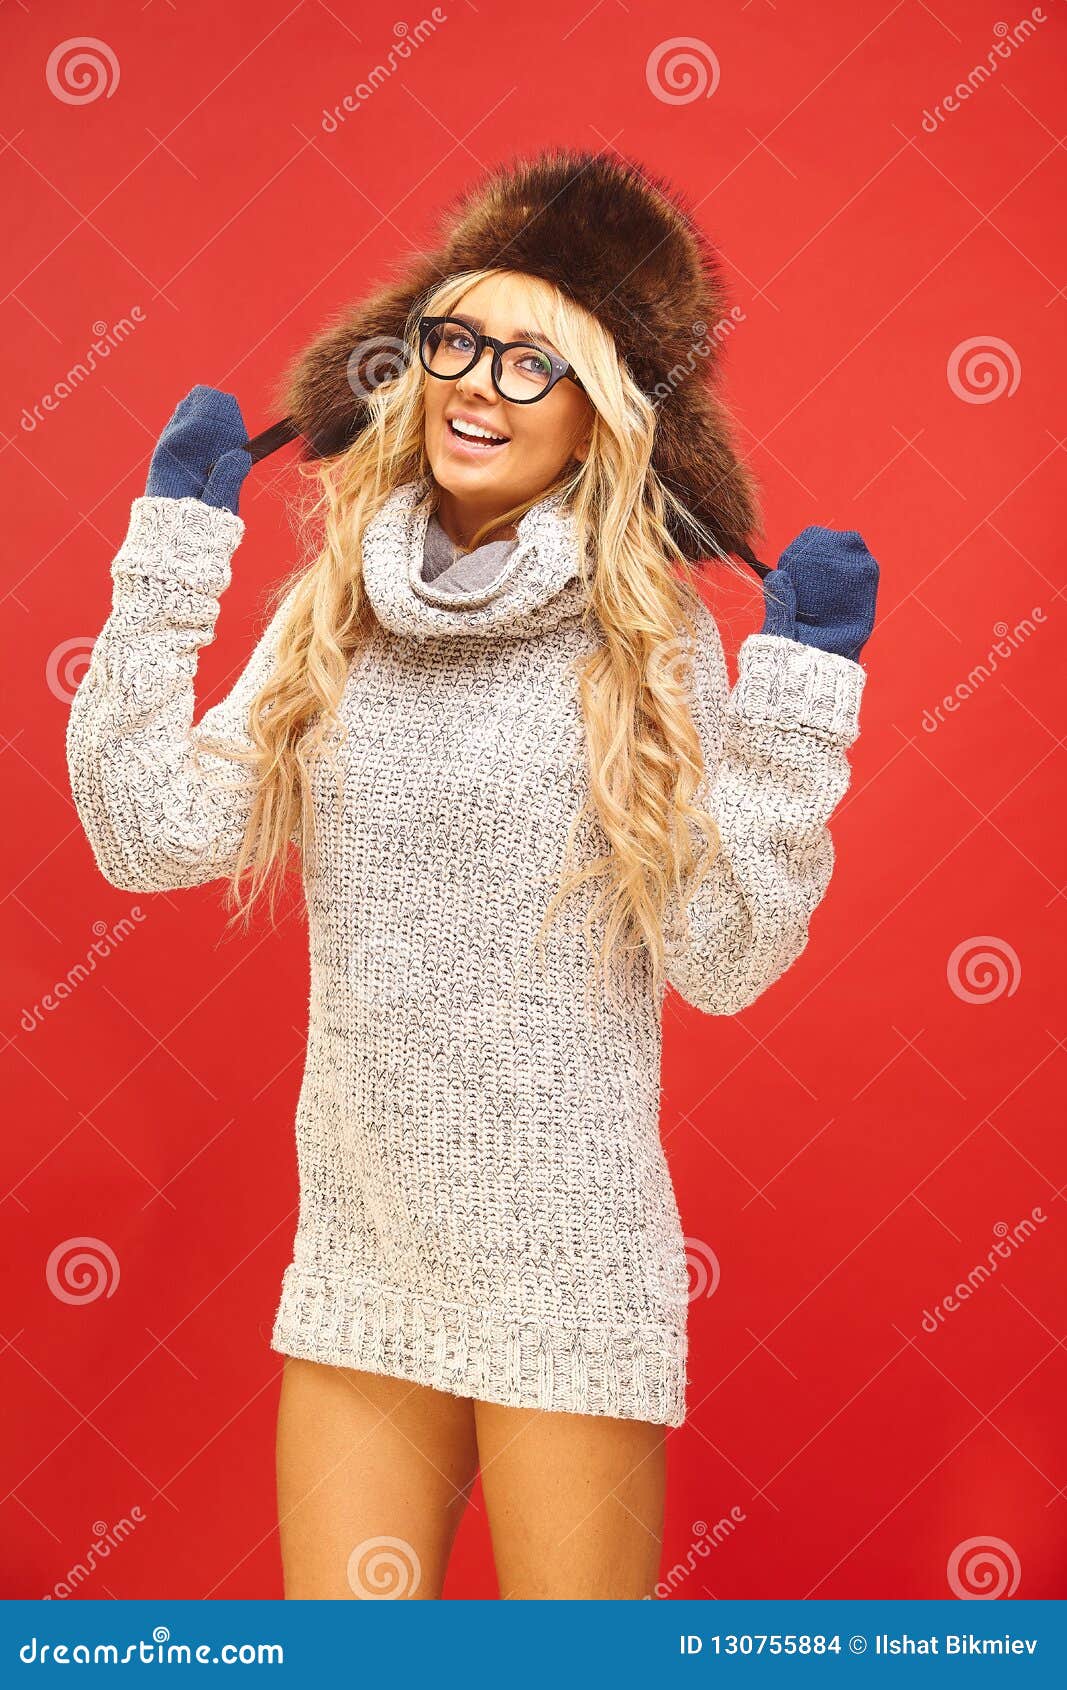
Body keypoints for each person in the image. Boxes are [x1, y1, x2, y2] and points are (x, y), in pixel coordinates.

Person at [65, 148, 878, 1600]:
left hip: (564, 1265)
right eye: (456, 338)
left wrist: (796, 718)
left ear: (603, 414)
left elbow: (726, 955)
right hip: (365, 1247)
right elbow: (143, 827)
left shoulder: (646, 643)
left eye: (533, 360)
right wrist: (170, 555)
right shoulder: (336, 618)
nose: (477, 383)